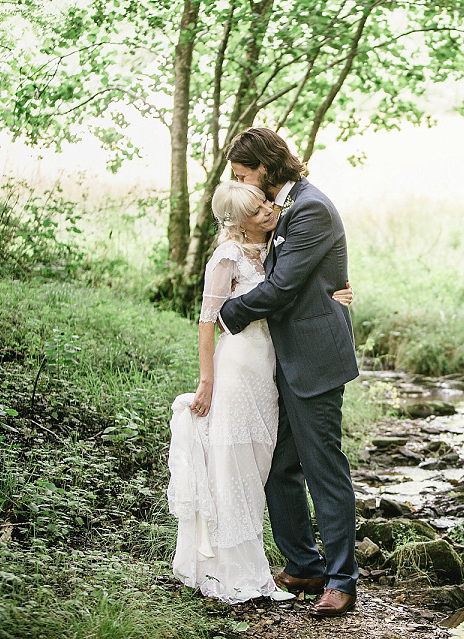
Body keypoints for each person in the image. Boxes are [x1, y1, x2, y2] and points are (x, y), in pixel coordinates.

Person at [166, 180, 353, 604]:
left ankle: (336, 577)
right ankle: (238, 566)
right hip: (241, 367)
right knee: (241, 463)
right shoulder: (228, 254)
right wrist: (207, 380)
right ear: (237, 222)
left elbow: (302, 277)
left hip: (275, 368)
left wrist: (338, 291)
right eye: (257, 210)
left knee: (270, 462)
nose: (269, 210)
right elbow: (207, 319)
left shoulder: (282, 233)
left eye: (267, 202)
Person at [218, 128, 361, 617]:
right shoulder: (285, 208)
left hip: (315, 359)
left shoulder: (311, 207)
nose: (242, 183)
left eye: (244, 174)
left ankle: (342, 580)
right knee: (281, 469)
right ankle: (303, 563)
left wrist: (228, 313)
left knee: (324, 469)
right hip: (283, 357)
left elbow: (280, 286)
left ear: (266, 166)